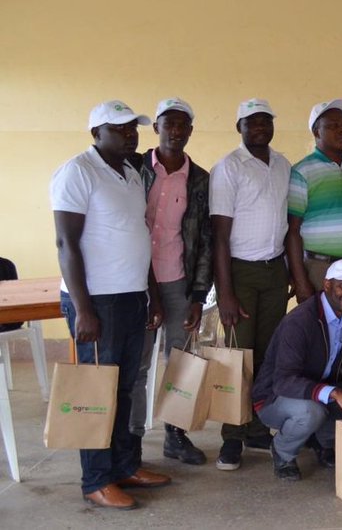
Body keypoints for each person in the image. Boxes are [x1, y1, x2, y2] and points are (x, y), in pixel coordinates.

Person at [52, 100, 170, 510]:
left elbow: (138, 235)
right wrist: (83, 309)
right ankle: (96, 480)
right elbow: (66, 243)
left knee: (122, 387)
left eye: (133, 128)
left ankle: (124, 466)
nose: (130, 134)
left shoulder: (132, 173)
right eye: (119, 129)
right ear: (95, 134)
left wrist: (151, 292)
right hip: (97, 301)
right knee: (96, 392)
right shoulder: (77, 172)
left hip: (132, 296)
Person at [252, 259, 342, 481]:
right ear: (327, 285)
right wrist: (335, 393)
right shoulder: (300, 322)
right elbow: (283, 381)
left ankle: (325, 442)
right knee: (313, 412)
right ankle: (282, 452)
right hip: (275, 398)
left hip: (320, 387)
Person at [209, 98, 292, 471]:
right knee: (237, 356)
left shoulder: (283, 165)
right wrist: (225, 292)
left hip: (275, 271)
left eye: (266, 120)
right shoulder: (228, 167)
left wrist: (290, 271)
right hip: (239, 273)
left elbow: (287, 224)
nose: (259, 127)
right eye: (251, 121)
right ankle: (231, 437)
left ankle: (257, 425)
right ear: (239, 126)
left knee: (266, 353)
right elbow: (220, 237)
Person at [129, 97, 213, 466]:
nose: (175, 131)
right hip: (135, 282)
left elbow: (206, 240)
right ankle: (130, 440)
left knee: (179, 361)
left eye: (182, 125)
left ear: (191, 131)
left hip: (177, 281)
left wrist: (198, 294)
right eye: (168, 124)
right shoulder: (133, 169)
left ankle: (175, 435)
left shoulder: (199, 179)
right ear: (156, 128)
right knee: (139, 364)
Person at [286, 99, 342, 320]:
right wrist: (300, 280)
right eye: (333, 126)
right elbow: (292, 230)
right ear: (316, 132)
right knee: (321, 335)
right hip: (322, 269)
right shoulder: (302, 171)